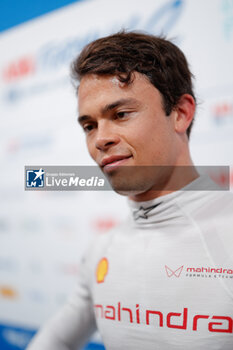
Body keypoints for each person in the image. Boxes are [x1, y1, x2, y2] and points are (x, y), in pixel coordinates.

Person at [27, 31, 233, 350]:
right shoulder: (102, 249)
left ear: (181, 113)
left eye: (120, 114)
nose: (100, 139)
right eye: (89, 125)